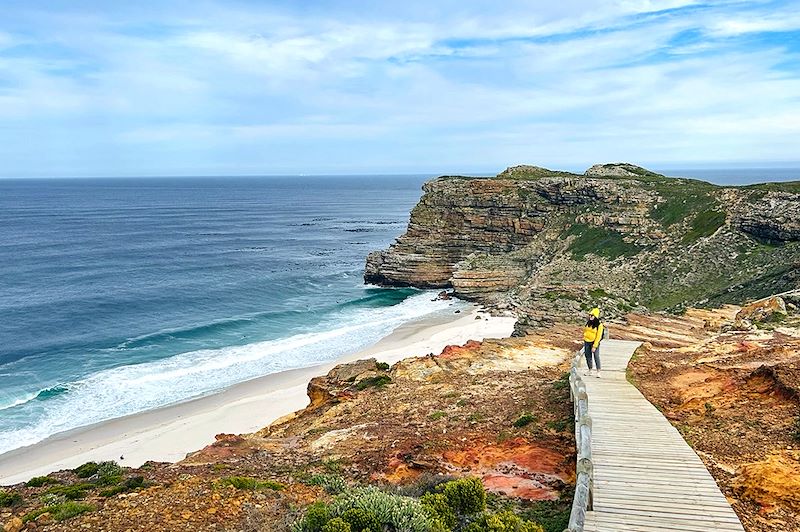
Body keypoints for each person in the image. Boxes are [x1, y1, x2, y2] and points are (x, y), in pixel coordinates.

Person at [583, 307, 604, 378]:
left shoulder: (599, 325)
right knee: (587, 356)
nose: (590, 316)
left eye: (592, 315)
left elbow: (599, 336)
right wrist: (585, 337)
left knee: (596, 356)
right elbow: (585, 331)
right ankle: (590, 369)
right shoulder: (588, 323)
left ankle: (598, 371)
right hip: (587, 341)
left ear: (595, 316)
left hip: (594, 342)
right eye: (590, 315)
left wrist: (595, 346)